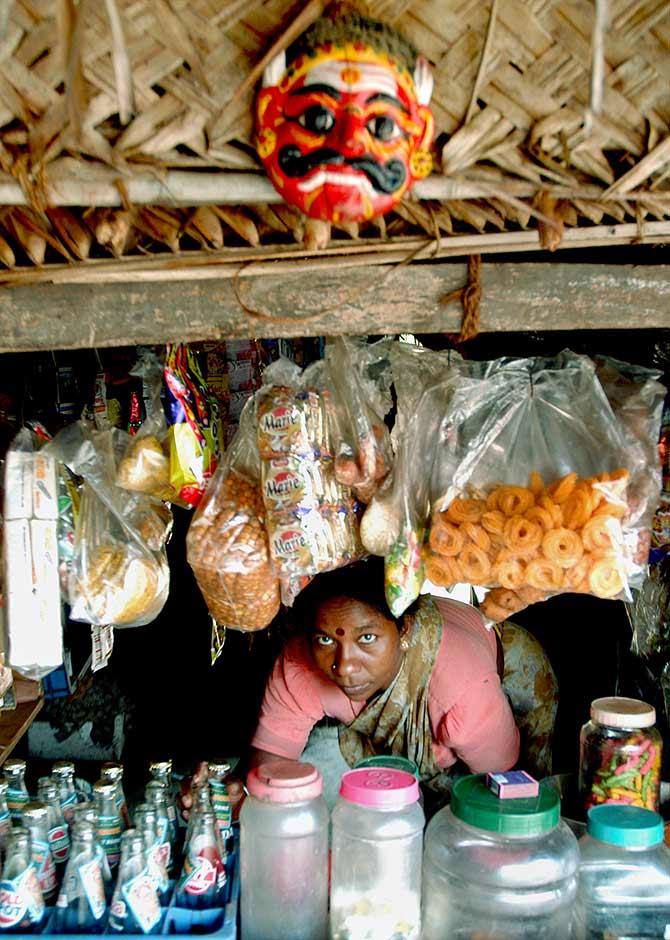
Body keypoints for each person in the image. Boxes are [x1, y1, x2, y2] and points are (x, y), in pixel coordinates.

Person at [184, 557, 523, 811]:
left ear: (403, 630)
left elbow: (504, 785)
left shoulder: (466, 696)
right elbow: (271, 764)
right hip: (376, 727)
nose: (344, 666)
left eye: (368, 638)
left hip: (507, 661)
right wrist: (236, 795)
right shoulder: (301, 663)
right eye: (326, 640)